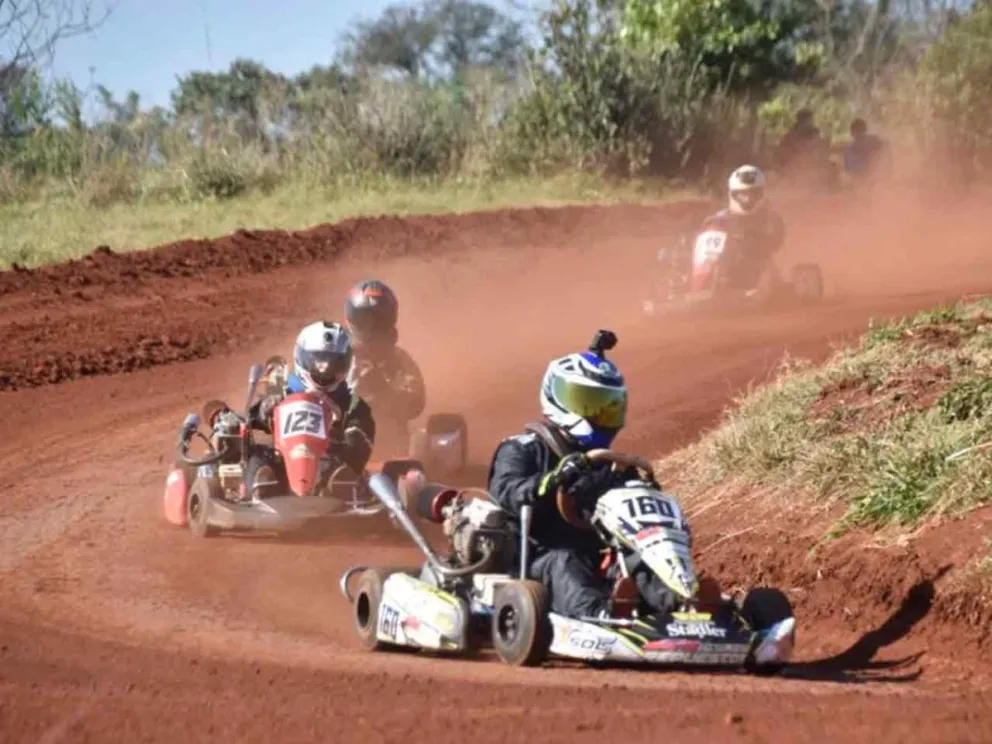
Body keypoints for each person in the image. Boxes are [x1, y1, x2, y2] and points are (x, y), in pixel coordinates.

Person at [486, 331, 680, 620]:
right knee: (565, 563)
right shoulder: (522, 448)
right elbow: (506, 492)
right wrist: (549, 482)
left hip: (597, 554)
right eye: (590, 405)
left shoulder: (608, 464)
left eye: (607, 407)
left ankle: (686, 607)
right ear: (558, 396)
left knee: (639, 561)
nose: (599, 416)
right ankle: (601, 616)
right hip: (537, 559)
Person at [246, 320, 376, 496]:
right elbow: (249, 421)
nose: (324, 370)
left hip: (330, 465)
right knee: (257, 457)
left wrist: (347, 433)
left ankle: (336, 491)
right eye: (318, 361)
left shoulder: (350, 403)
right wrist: (265, 410)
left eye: (334, 363)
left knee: (340, 464)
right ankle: (259, 491)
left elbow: (361, 442)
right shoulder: (283, 391)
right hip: (283, 463)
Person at [342, 279, 426, 438]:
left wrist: (382, 391)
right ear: (351, 319)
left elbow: (416, 403)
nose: (371, 327)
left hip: (390, 444)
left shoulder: (398, 359)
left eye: (378, 320)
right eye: (365, 320)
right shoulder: (336, 358)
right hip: (339, 440)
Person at [695, 165, 787, 289]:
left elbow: (775, 241)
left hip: (752, 275)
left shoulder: (770, 219)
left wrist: (751, 240)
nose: (748, 199)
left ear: (762, 194)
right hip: (715, 272)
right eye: (742, 195)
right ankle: (704, 281)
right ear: (732, 194)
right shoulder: (717, 220)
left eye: (753, 194)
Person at [842, 118, 891, 183]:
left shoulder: (873, 141)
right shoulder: (849, 148)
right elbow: (848, 168)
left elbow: (848, 168)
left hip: (867, 178)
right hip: (865, 178)